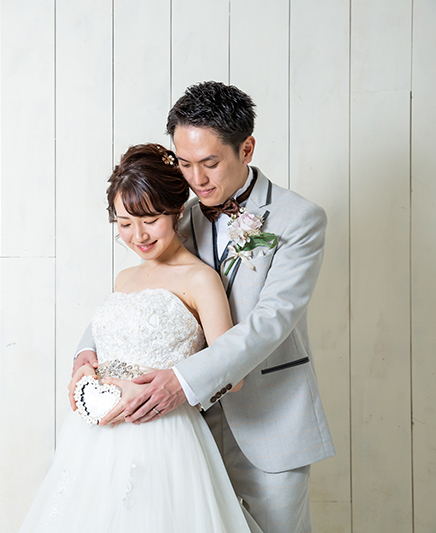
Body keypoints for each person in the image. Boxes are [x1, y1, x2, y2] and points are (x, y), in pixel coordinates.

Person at [74, 81, 335, 532]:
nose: (196, 179)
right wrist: (85, 353)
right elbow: (136, 296)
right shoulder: (175, 216)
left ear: (246, 148)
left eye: (210, 163)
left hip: (271, 422)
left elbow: (271, 321)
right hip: (187, 433)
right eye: (185, 163)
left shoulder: (299, 219)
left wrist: (183, 381)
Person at [19, 144, 255, 532]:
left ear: (177, 211)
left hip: (161, 434)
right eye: (125, 223)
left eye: (150, 220)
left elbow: (233, 373)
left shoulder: (200, 279)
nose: (138, 235)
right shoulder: (124, 278)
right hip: (93, 435)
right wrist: (86, 369)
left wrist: (165, 387)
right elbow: (110, 344)